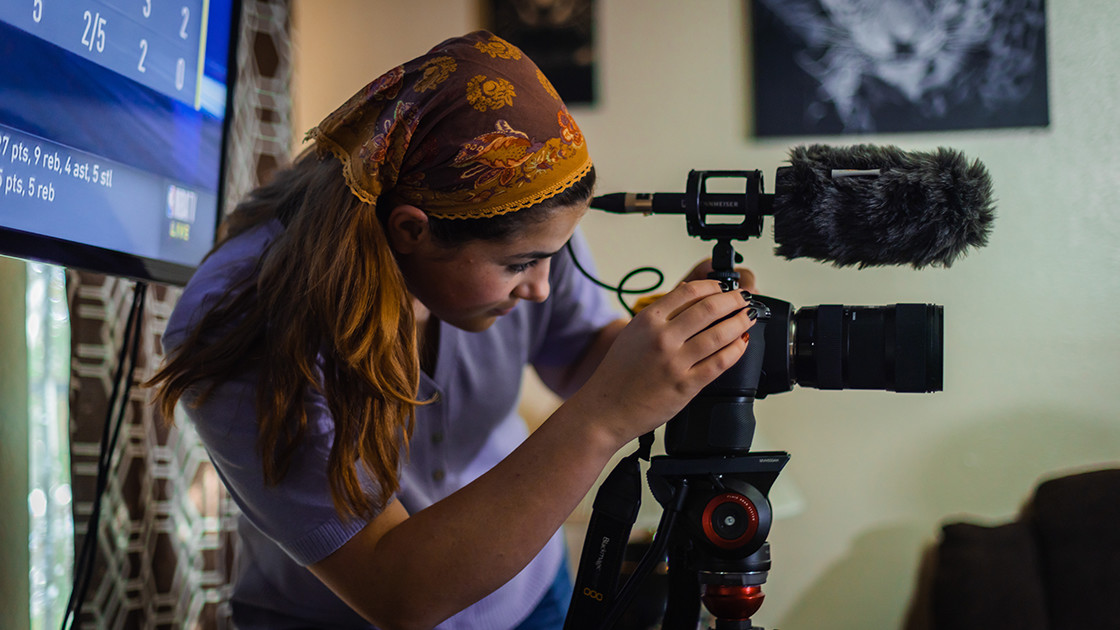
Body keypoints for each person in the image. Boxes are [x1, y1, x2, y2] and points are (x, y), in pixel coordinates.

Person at [149, 31, 757, 630]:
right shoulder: (241, 324)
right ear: (412, 230)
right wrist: (604, 418)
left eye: (554, 255)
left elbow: (576, 356)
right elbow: (398, 594)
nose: (543, 286)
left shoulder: (526, 214)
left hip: (527, 597)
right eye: (520, 266)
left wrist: (670, 340)